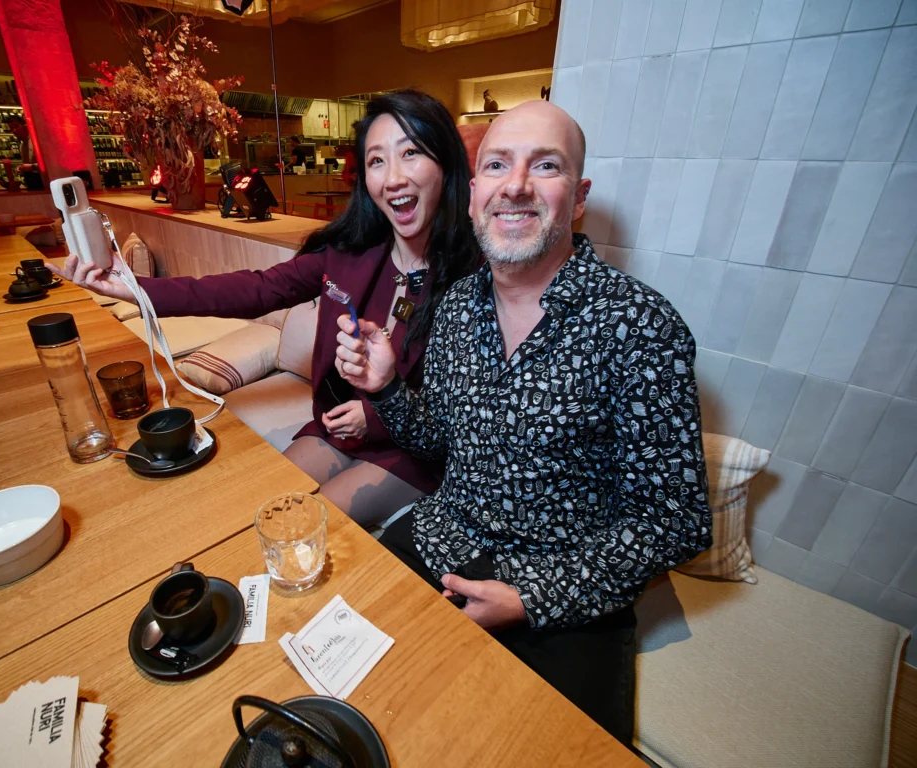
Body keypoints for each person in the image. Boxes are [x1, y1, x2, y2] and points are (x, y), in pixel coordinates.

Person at [333, 100, 712, 745]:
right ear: (474, 190)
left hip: (565, 593)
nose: (515, 185)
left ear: (580, 196)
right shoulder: (455, 309)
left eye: (546, 166)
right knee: (341, 694)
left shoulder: (640, 328)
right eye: (498, 165)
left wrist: (531, 595)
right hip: (441, 543)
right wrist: (389, 385)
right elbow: (437, 442)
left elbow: (676, 518)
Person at [49, 90, 481, 527]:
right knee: (256, 510)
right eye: (376, 161)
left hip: (410, 450)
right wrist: (135, 289)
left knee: (306, 526)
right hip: (336, 428)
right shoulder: (350, 252)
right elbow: (254, 291)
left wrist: (373, 414)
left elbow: (473, 408)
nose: (393, 178)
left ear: (446, 164)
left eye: (411, 154)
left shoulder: (477, 277)